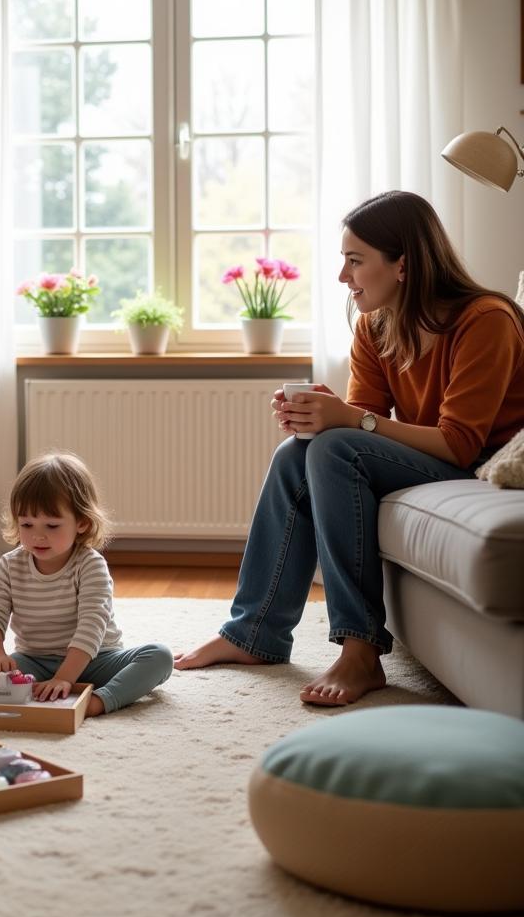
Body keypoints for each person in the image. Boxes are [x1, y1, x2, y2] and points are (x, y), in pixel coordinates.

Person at [174, 190, 524, 706]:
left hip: (476, 464)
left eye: (355, 262)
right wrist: (317, 417)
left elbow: (458, 442)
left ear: (403, 265)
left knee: (334, 448)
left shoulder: (485, 320)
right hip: (436, 457)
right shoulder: (375, 325)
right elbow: (356, 428)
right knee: (301, 452)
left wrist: (347, 420)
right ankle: (254, 633)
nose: (344, 277)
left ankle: (361, 650)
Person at [0, 452, 174, 716]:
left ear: (82, 522)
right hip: (35, 659)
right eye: (26, 523)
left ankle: (99, 701)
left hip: (96, 659)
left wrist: (66, 679)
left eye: (52, 525)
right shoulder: (9, 565)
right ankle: (45, 688)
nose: (38, 535)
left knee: (159, 657)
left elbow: (91, 626)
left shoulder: (90, 565)